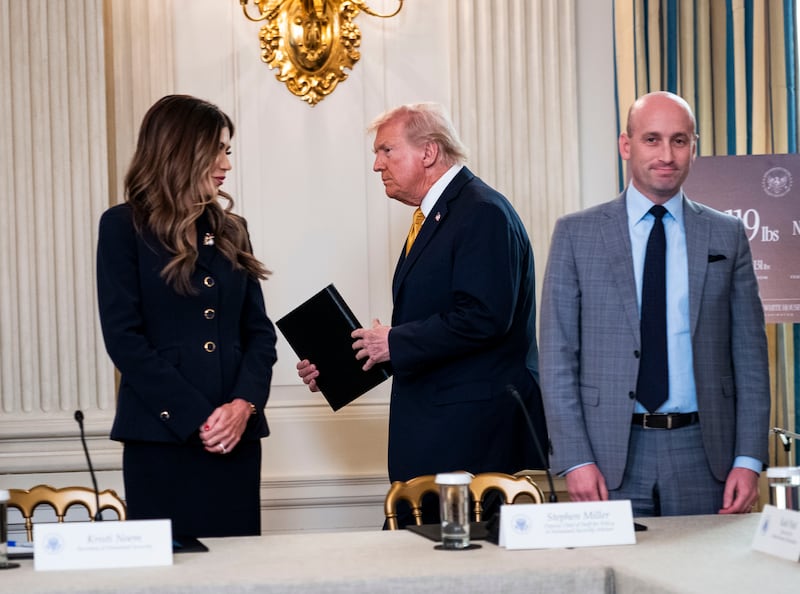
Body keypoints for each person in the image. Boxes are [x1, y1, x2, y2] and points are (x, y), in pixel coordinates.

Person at [297, 103, 548, 522]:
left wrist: (393, 341)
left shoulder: (481, 211)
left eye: (387, 150)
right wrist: (341, 366)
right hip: (440, 434)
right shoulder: (441, 214)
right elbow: (440, 323)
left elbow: (484, 318)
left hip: (470, 440)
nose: (377, 165)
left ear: (428, 152)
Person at [539, 91, 770, 516]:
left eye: (679, 141)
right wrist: (575, 458)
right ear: (626, 145)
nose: (666, 155)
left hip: (707, 456)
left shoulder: (727, 234)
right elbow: (557, 357)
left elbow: (750, 357)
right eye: (652, 139)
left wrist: (749, 459)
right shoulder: (576, 234)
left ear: (693, 147)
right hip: (607, 456)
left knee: (705, 563)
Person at [96, 94, 277, 537]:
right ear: (180, 150)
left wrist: (244, 406)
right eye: (216, 150)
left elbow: (259, 334)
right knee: (168, 569)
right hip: (161, 441)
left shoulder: (233, 230)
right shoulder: (122, 227)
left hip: (236, 438)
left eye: (227, 150)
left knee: (239, 568)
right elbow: (125, 339)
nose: (226, 164)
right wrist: (199, 417)